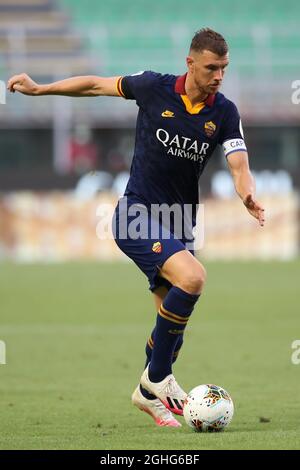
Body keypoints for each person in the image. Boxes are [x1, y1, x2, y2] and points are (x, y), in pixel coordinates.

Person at [8, 28, 265, 428]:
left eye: (224, 68)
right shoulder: (152, 87)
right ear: (190, 62)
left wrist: (246, 195)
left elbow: (239, 164)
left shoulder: (224, 112)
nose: (218, 76)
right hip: (136, 213)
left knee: (170, 322)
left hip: (180, 223)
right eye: (212, 67)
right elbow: (95, 85)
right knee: (194, 278)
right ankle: (157, 379)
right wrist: (41, 90)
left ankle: (148, 393)